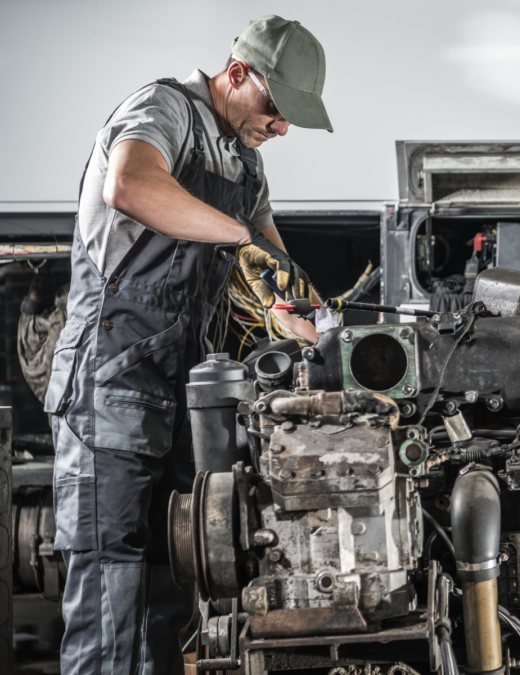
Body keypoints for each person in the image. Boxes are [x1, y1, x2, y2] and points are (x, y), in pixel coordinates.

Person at [44, 15, 332, 675]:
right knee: (111, 596)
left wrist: (332, 336)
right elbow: (132, 185)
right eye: (276, 108)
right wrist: (236, 236)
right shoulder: (162, 109)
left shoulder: (245, 165)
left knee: (170, 598)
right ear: (236, 75)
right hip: (109, 391)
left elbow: (281, 287)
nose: (281, 127)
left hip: (182, 402)